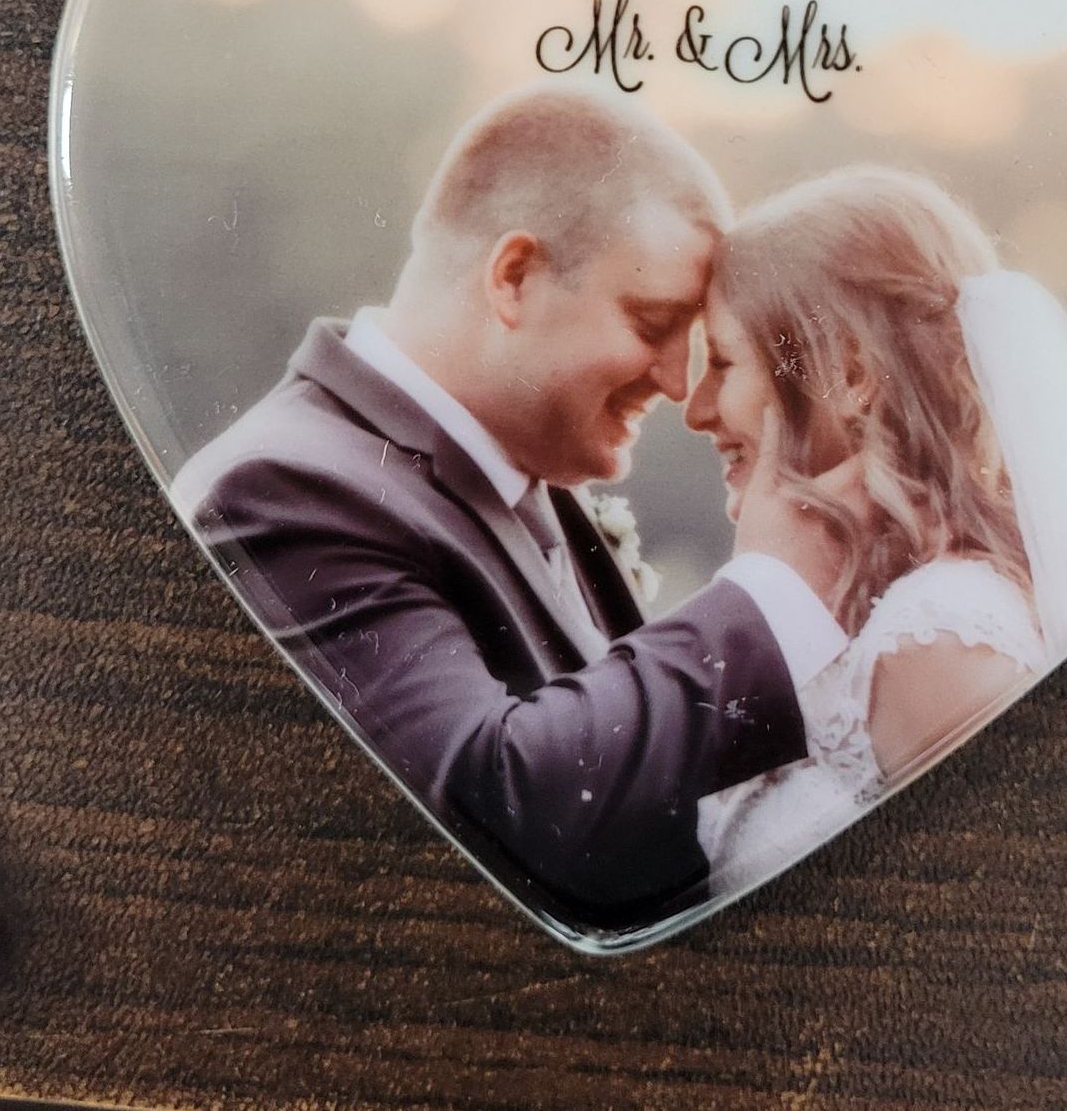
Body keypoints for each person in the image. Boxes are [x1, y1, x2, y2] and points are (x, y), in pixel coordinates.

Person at [172, 86, 847, 940]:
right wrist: (777, 593)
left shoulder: (528, 481)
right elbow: (495, 807)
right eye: (652, 322)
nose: (680, 383)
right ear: (514, 277)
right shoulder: (286, 489)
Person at [686, 167, 1067, 897]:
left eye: (722, 362)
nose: (697, 409)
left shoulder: (939, 638)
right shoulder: (856, 606)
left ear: (850, 374)